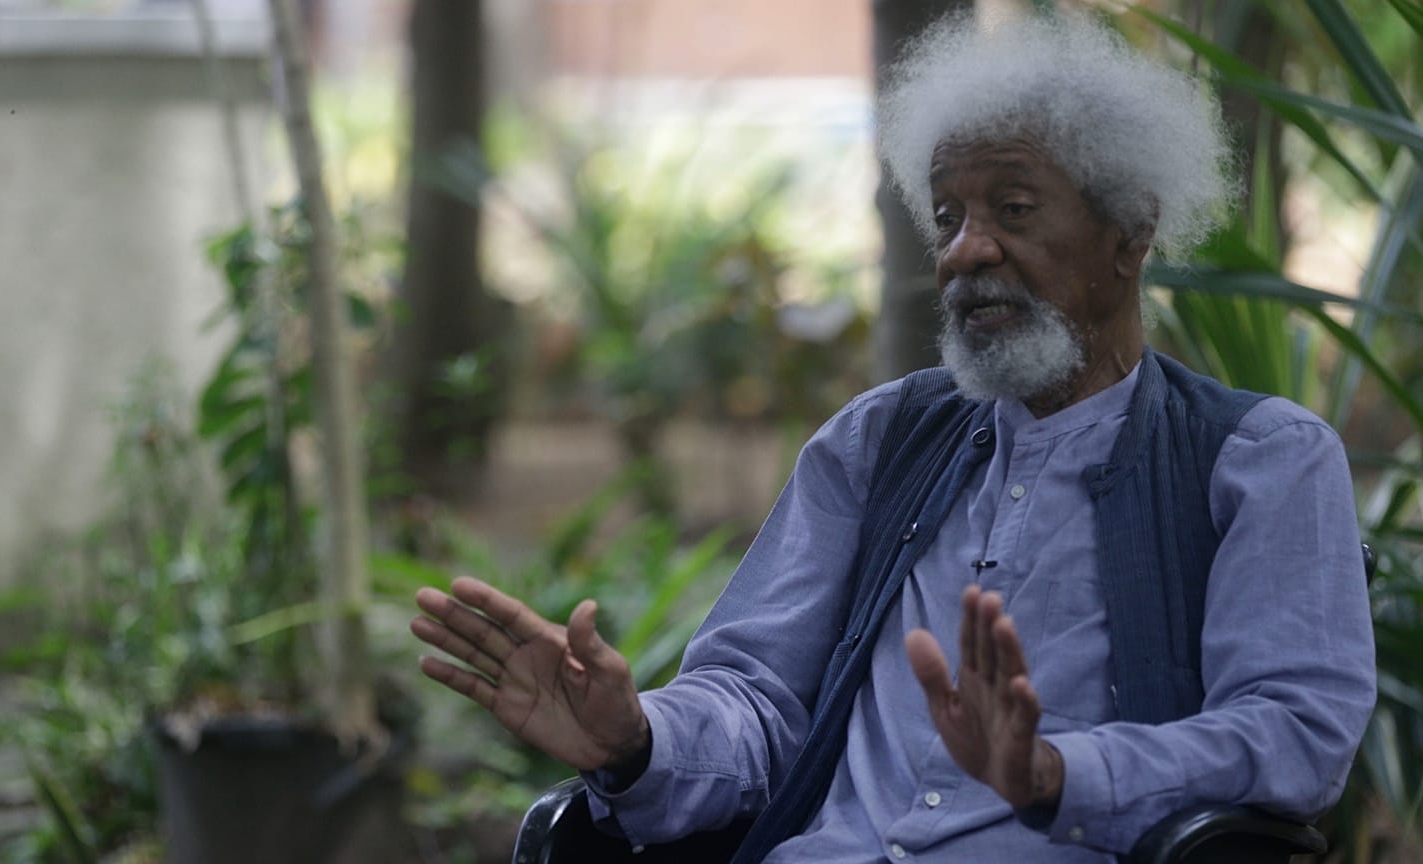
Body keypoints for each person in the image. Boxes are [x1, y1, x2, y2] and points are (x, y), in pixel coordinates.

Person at [410, 10, 1376, 863]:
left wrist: (1055, 772)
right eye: (948, 214)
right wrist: (638, 740)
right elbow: (757, 698)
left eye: (1013, 208)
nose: (966, 249)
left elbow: (1293, 736)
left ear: (1130, 233)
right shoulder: (878, 440)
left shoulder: (1260, 460)